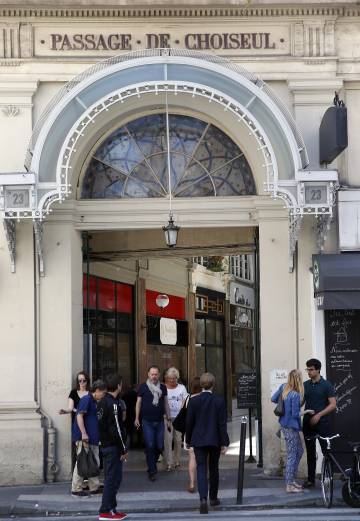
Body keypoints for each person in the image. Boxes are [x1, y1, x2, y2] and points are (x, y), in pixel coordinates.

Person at [185, 372, 229, 514]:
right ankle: (213, 498)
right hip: (214, 440)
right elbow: (222, 424)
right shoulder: (219, 400)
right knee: (214, 468)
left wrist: (188, 440)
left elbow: (189, 423)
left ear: (201, 385)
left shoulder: (194, 401)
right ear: (213, 384)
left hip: (198, 440)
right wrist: (225, 442)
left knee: (201, 469)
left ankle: (203, 499)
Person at [271, 369, 314, 493]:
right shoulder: (295, 394)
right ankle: (289, 485)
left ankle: (292, 480)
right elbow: (295, 414)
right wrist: (306, 411)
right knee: (292, 455)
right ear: (298, 380)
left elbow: (273, 399)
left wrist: (283, 402)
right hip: (291, 427)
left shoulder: (283, 387)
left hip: (285, 425)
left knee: (299, 451)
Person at [97, 374, 128, 521]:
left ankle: (112, 509)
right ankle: (105, 511)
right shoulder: (114, 404)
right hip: (112, 447)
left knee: (115, 478)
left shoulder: (102, 401)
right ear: (119, 386)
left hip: (106, 445)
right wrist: (123, 449)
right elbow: (116, 428)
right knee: (112, 479)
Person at [302, 358, 337, 488]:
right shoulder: (305, 385)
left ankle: (329, 478)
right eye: (307, 369)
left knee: (326, 451)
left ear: (317, 370)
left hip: (323, 423)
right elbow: (301, 403)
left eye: (311, 369)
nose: (309, 372)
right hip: (308, 424)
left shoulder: (326, 385)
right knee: (310, 453)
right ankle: (311, 480)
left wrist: (319, 415)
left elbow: (333, 404)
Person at [134, 365, 171, 481]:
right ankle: (152, 470)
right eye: (152, 374)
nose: (154, 376)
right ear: (148, 375)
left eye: (156, 374)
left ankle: (151, 462)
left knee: (159, 446)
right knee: (150, 445)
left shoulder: (163, 387)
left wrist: (169, 418)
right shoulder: (143, 387)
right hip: (147, 421)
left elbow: (165, 403)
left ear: (159, 375)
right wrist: (136, 418)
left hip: (160, 421)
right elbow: (138, 403)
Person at [71, 379, 107, 497]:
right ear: (97, 391)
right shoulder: (87, 399)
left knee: (94, 462)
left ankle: (94, 487)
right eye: (103, 392)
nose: (103, 395)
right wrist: (84, 433)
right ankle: (76, 488)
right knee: (82, 462)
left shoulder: (95, 401)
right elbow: (79, 416)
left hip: (93, 438)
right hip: (85, 438)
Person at [59, 371, 90, 469]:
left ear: (87, 381)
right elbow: (70, 408)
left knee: (89, 450)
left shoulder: (90, 393)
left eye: (84, 380)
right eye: (79, 380)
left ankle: (87, 475)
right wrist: (65, 411)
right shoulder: (73, 392)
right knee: (78, 449)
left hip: (89, 423)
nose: (81, 382)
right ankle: (78, 475)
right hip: (77, 424)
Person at [163, 367, 188, 471]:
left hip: (178, 418)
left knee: (178, 440)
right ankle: (169, 463)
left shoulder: (182, 388)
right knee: (168, 440)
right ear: (167, 378)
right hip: (166, 418)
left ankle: (177, 461)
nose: (172, 380)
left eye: (174, 378)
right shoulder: (163, 387)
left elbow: (185, 400)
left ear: (177, 378)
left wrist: (182, 412)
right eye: (170, 378)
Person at [184, 376, 202, 493]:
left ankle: (191, 483)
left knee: (192, 458)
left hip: (191, 432)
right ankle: (204, 479)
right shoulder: (205, 398)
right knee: (206, 458)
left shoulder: (188, 398)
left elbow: (184, 415)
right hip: (204, 431)